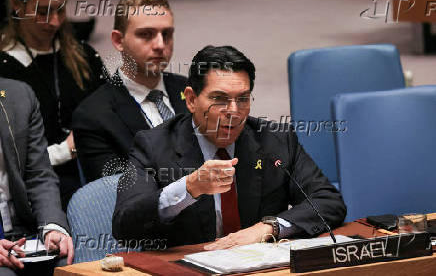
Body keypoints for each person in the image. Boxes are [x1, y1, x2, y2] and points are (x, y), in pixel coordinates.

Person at [112, 45, 347, 249]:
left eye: (243, 99)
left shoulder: (276, 140)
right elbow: (124, 225)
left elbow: (328, 202)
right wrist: (188, 188)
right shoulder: (154, 145)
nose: (234, 111)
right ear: (192, 99)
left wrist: (268, 228)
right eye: (220, 99)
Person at [0, 0, 106, 210]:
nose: (55, 22)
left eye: (61, 10)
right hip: (37, 197)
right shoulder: (5, 71)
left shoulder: (85, 56)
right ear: (18, 5)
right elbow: (9, 162)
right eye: (43, 11)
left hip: (95, 181)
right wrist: (66, 150)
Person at [72, 0, 188, 182]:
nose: (160, 45)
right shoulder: (93, 116)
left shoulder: (191, 89)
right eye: (146, 34)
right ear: (119, 41)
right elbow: (117, 195)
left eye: (166, 34)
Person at [0, 77, 73, 276]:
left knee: (72, 266)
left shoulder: (19, 95)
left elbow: (39, 174)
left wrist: (52, 226)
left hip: (24, 231)